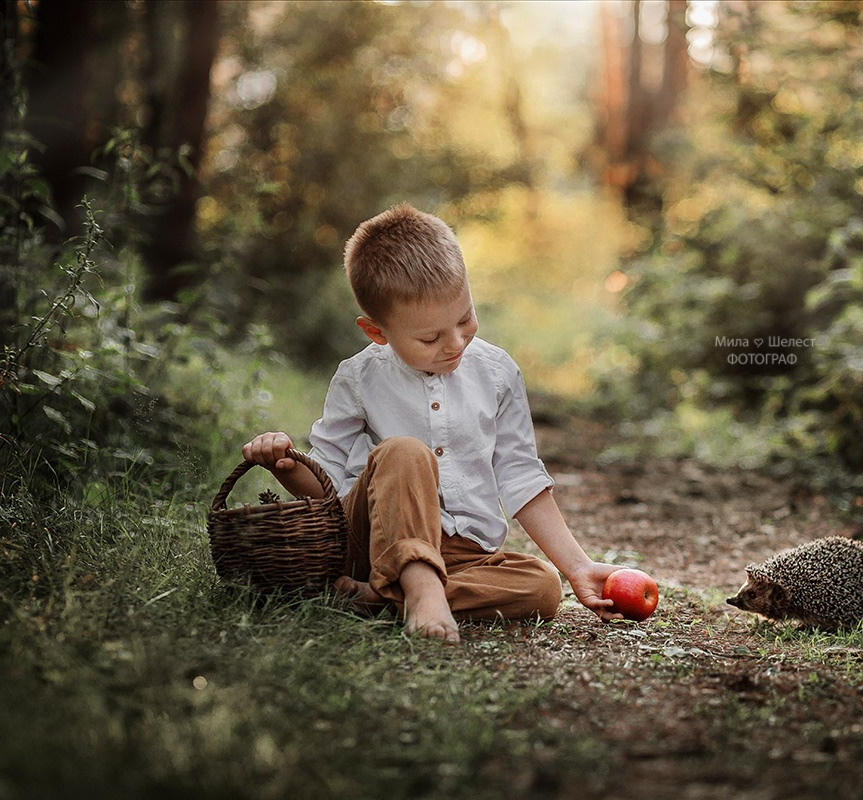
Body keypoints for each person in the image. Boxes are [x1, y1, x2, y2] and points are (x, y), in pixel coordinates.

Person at [242, 203, 624, 643]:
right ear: (377, 332)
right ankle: (416, 587)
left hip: (464, 555)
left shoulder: (497, 373)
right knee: (404, 452)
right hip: (374, 543)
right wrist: (285, 465)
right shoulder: (360, 378)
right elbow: (326, 485)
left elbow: (519, 475)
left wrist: (576, 566)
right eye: (430, 337)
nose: (456, 342)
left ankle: (386, 598)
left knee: (540, 587)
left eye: (465, 319)